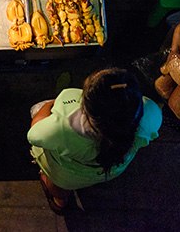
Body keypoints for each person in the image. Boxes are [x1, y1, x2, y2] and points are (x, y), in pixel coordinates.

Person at [28, 68, 161, 215]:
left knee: (38, 108)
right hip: (113, 169)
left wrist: (50, 104)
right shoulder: (152, 112)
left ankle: (60, 200)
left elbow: (34, 134)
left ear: (85, 106)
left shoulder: (60, 128)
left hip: (67, 175)